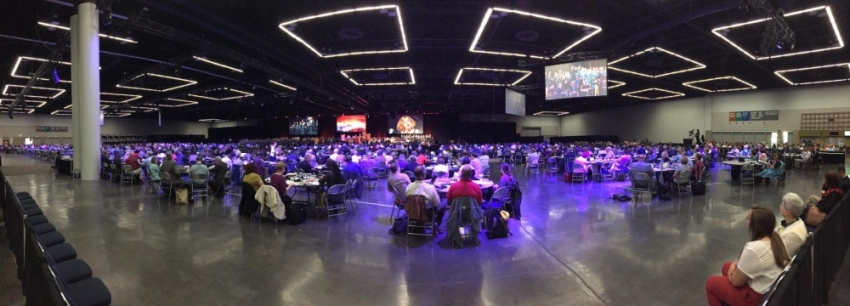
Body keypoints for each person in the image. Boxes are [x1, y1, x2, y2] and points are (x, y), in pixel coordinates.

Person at [705, 205, 789, 306]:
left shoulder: (754, 248)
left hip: (755, 299)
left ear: (755, 226)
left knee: (711, 283)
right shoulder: (776, 238)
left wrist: (733, 273)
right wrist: (735, 266)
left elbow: (736, 282)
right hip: (766, 288)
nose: (746, 221)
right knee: (726, 266)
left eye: (748, 219)